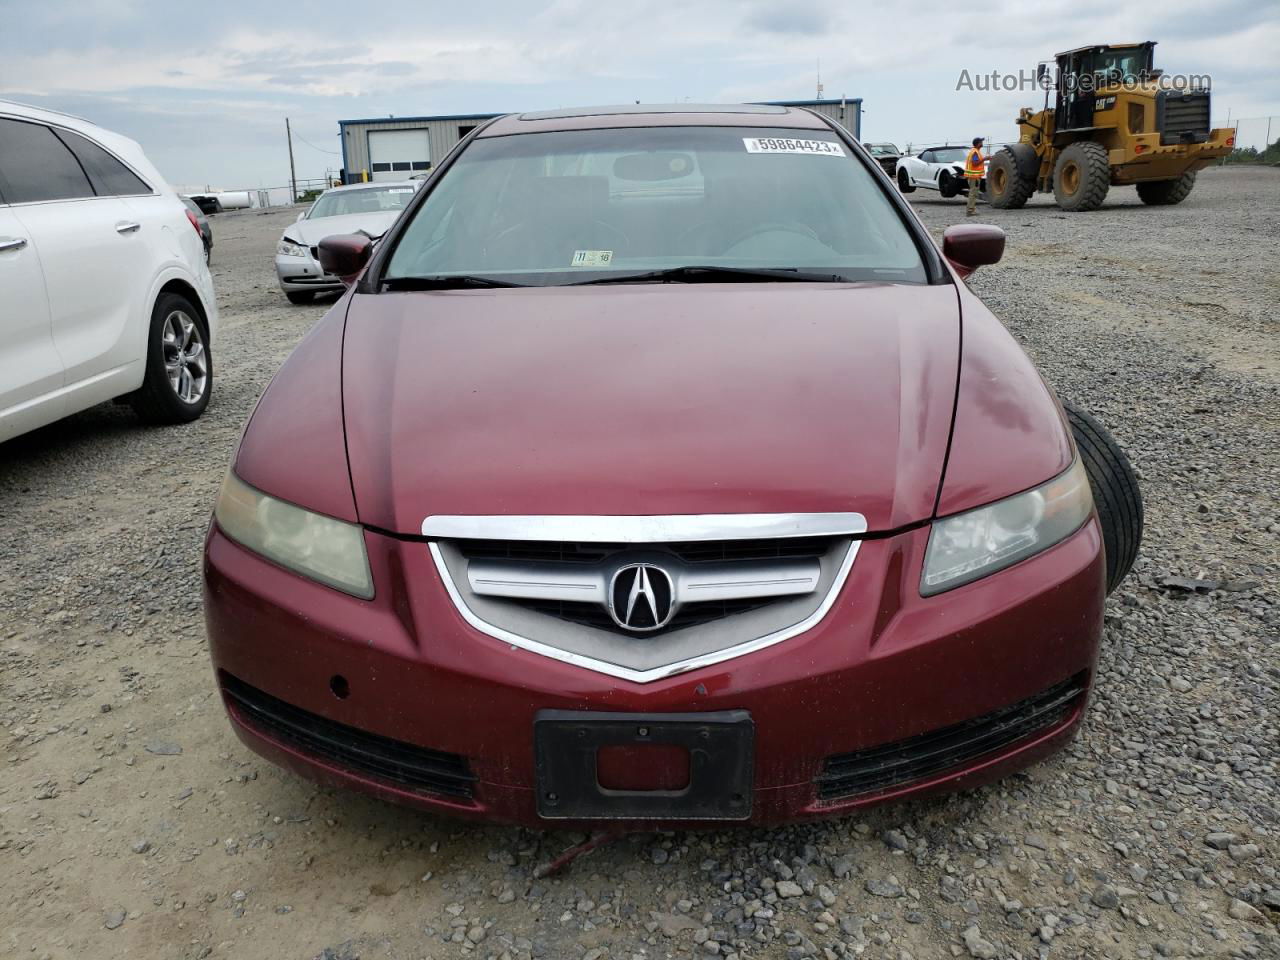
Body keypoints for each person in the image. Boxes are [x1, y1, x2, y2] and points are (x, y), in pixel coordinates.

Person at [965, 137, 985, 216]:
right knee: (973, 193)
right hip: (974, 177)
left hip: (974, 176)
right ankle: (970, 211)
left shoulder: (975, 151)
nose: (982, 143)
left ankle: (971, 209)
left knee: (973, 193)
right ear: (978, 143)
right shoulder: (975, 152)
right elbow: (975, 163)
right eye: (981, 142)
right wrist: (985, 159)